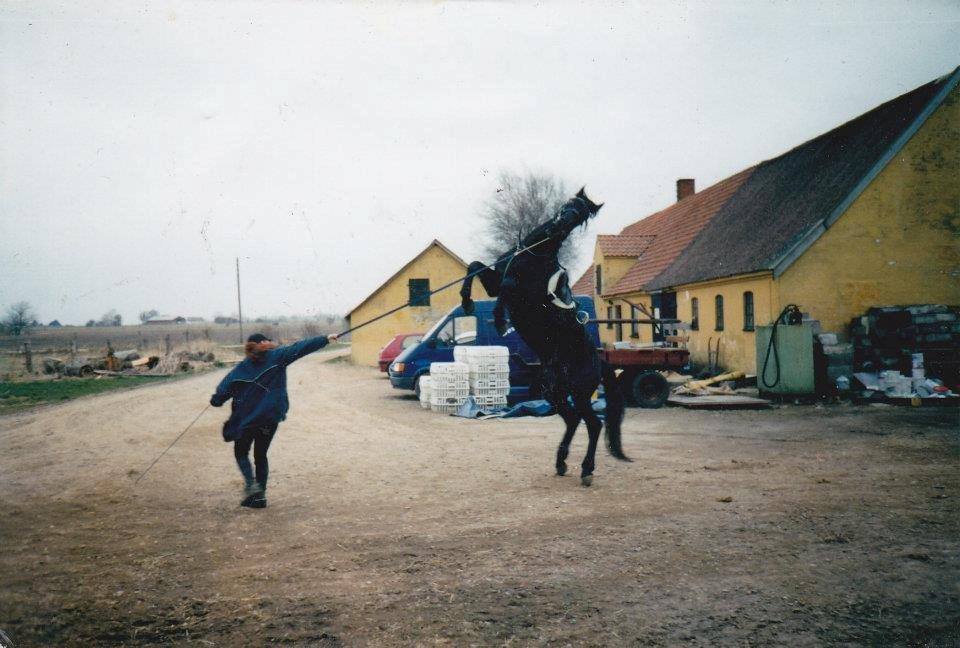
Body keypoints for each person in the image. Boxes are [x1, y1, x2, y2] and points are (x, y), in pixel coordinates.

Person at [210, 331, 338, 508]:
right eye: (267, 340)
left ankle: (252, 486)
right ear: (263, 342)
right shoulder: (277, 356)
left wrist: (216, 399)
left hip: (246, 421)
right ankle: (259, 496)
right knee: (261, 455)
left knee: (241, 452)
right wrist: (325, 339)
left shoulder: (240, 369)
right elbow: (300, 347)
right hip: (270, 418)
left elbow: (219, 396)